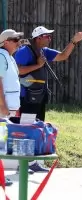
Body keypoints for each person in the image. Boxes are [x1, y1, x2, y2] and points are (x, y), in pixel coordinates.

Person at [14, 26, 82, 172]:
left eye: (49, 36)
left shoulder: (43, 51)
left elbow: (63, 56)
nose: (49, 38)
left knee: (37, 127)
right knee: (25, 128)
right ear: (38, 38)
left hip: (39, 95)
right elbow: (18, 70)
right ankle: (21, 164)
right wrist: (38, 65)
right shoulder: (24, 51)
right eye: (46, 36)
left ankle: (33, 161)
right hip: (27, 96)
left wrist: (73, 42)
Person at [0, 29, 24, 186]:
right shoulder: (1, 56)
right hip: (3, 108)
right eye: (15, 39)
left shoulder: (8, 57)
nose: (18, 42)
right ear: (5, 42)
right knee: (0, 142)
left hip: (10, 108)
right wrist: (2, 105)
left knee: (2, 142)